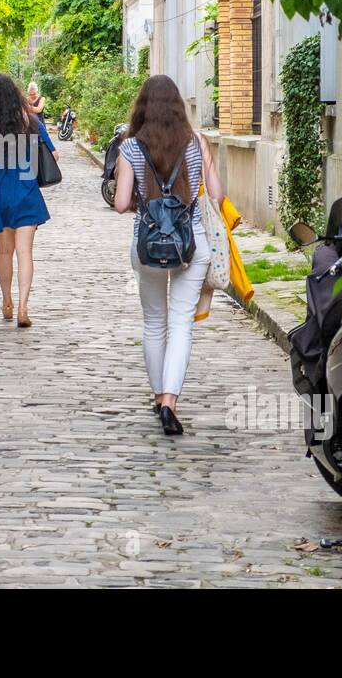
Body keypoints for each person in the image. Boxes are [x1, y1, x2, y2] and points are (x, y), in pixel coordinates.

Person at [113, 74, 224, 436]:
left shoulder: (130, 147)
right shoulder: (198, 143)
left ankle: (159, 393)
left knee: (154, 323)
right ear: (178, 106)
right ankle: (170, 403)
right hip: (191, 245)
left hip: (146, 246)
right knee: (181, 324)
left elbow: (120, 203)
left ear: (143, 107)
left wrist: (148, 202)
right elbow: (218, 197)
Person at [0, 73, 58, 329]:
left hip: (0, 190)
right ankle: (24, 306)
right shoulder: (31, 121)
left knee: (4, 252)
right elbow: (54, 155)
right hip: (26, 187)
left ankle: (6, 301)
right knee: (25, 252)